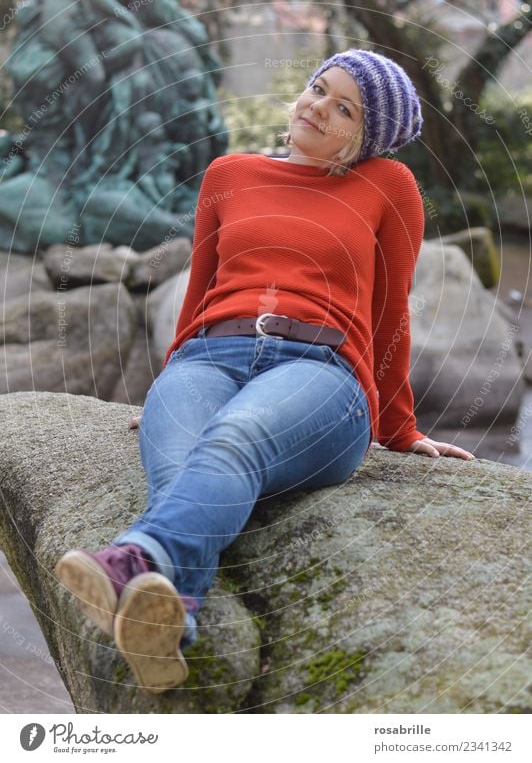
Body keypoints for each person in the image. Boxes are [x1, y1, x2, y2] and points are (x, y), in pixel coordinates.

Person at [56, 48, 476, 695]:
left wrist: (399, 427)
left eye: (344, 109)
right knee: (178, 467)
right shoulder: (229, 172)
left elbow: (391, 311)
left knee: (232, 438)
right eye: (317, 88)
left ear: (365, 139)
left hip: (322, 372)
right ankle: (171, 621)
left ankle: (131, 560)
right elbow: (199, 293)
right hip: (207, 356)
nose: (316, 106)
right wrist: (170, 389)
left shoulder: (387, 186)